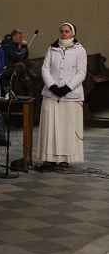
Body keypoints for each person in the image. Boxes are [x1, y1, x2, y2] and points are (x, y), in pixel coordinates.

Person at [37, 22, 87, 169]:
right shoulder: (52, 49)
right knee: (50, 127)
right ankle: (49, 157)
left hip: (70, 95)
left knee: (66, 128)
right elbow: (45, 68)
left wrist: (67, 88)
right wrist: (52, 86)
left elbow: (81, 72)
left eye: (66, 31)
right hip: (51, 94)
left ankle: (65, 157)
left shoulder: (80, 50)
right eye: (62, 31)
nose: (63, 34)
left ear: (73, 33)